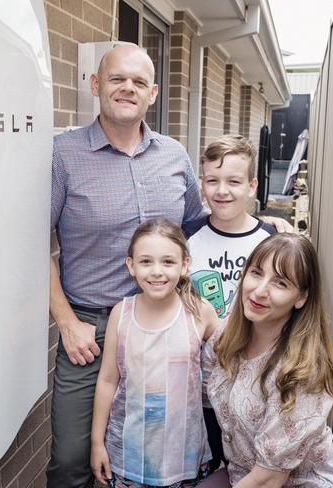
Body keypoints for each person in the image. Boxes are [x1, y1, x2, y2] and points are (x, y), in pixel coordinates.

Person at [47, 43, 290, 487]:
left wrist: (261, 223)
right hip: (93, 327)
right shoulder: (63, 155)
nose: (128, 88)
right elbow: (34, 244)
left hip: (170, 320)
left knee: (158, 447)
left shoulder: (174, 156)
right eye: (117, 78)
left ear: (153, 93)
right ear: (96, 84)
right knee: (71, 460)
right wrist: (65, 321)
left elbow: (199, 224)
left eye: (139, 82)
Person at [201, 233, 333, 487]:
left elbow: (268, 479)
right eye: (256, 273)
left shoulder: (303, 371)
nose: (259, 291)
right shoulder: (226, 337)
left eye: (280, 283)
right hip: (242, 474)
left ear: (301, 297)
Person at [90, 219, 218, 487]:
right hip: (129, 458)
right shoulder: (120, 314)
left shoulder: (199, 311)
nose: (157, 272)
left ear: (184, 265)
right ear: (131, 266)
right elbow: (108, 380)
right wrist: (96, 443)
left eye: (168, 262)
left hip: (185, 458)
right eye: (146, 261)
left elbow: (234, 356)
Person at [188, 135, 276, 468]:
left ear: (252, 186)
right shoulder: (187, 238)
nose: (222, 190)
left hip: (252, 388)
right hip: (199, 389)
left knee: (248, 466)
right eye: (213, 180)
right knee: (205, 467)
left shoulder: (271, 241)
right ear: (202, 183)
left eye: (234, 181)